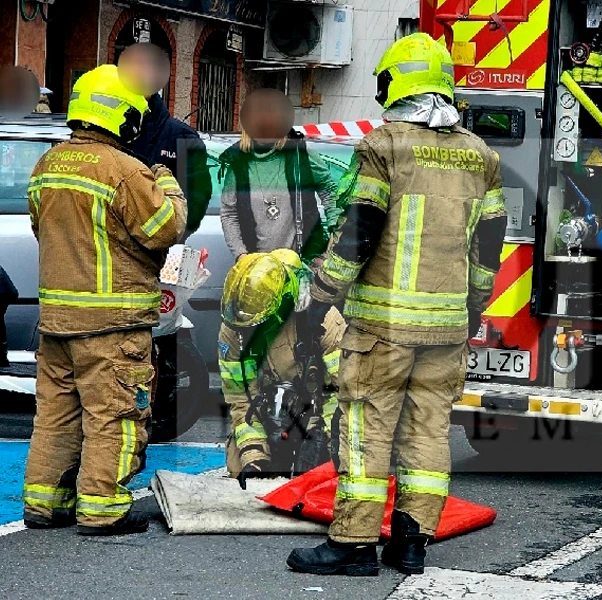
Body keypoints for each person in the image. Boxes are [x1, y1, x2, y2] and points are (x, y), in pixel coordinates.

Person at [287, 32, 508, 577]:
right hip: (447, 327)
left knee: (366, 426)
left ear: (396, 84)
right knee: (429, 432)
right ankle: (411, 545)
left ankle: (355, 544)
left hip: (383, 327)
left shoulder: (383, 146)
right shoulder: (481, 156)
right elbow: (489, 243)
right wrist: (474, 306)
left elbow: (361, 229)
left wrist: (322, 296)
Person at [22, 65, 187, 536]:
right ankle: (101, 509)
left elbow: (44, 232)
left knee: (56, 414)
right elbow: (165, 229)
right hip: (112, 324)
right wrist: (167, 183)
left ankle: (44, 503)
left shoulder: (48, 164)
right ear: (123, 119)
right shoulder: (124, 169)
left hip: (56, 322)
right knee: (114, 415)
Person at [218, 249, 345, 481]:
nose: (248, 331)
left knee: (322, 480)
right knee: (239, 461)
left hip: (315, 419)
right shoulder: (235, 328)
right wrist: (253, 456)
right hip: (268, 420)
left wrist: (326, 443)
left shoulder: (321, 320)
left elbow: (344, 393)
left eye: (257, 322)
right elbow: (240, 399)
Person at [220, 89, 340, 264]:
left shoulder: (301, 154)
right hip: (257, 267)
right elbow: (229, 212)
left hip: (304, 263)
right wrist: (241, 255)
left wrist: (334, 235)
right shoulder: (238, 162)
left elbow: (329, 190)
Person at [119, 43, 211, 239]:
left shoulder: (183, 138)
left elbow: (196, 202)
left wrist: (165, 238)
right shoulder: (111, 131)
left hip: (164, 253)